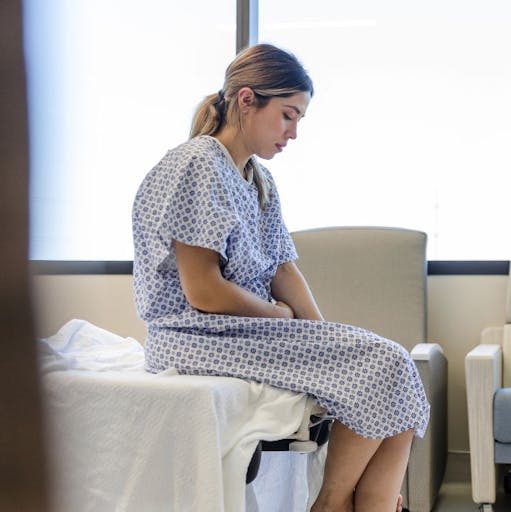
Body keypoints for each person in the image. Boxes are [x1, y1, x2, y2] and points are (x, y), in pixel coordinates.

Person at [132, 43, 430, 512]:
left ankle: (369, 503)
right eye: (288, 115)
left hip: (244, 329)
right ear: (248, 100)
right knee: (386, 363)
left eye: (299, 120)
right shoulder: (196, 164)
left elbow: (284, 268)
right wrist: (279, 315)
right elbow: (202, 290)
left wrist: (324, 336)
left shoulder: (257, 178)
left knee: (395, 375)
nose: (293, 132)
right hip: (194, 333)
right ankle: (331, 504)